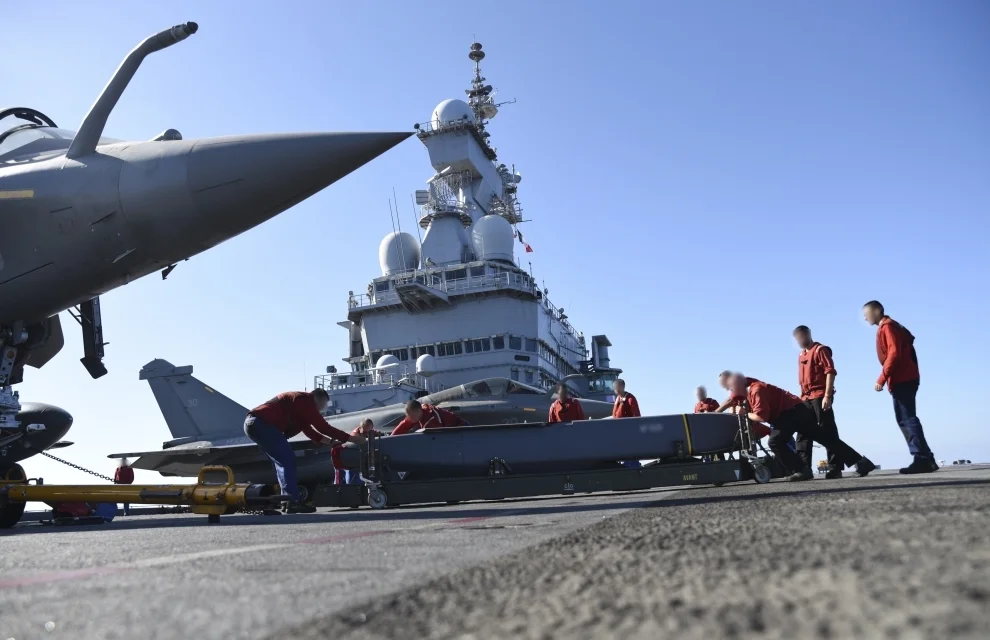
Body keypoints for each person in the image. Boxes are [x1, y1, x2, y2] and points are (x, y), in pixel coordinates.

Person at [728, 373, 875, 481]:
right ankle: (862, 463)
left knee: (775, 441)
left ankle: (801, 470)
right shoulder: (749, 387)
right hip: (797, 410)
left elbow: (761, 417)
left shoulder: (756, 390)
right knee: (825, 438)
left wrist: (744, 413)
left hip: (791, 413)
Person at [245, 388, 363, 513]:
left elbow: (310, 431)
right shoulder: (306, 401)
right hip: (261, 424)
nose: (322, 409)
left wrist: (332, 441)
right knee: (287, 460)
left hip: (254, 424)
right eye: (323, 404)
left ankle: (287, 501)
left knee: (281, 462)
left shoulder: (300, 407)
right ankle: (291, 501)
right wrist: (350, 438)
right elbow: (323, 427)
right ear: (318, 398)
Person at [863, 301, 938, 474]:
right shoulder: (891, 326)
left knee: (906, 419)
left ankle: (921, 458)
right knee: (907, 417)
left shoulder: (887, 327)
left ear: (878, 311)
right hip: (906, 377)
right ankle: (928, 458)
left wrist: (882, 378)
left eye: (867, 313)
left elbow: (894, 353)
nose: (865, 317)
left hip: (902, 378)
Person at [793, 325, 843, 479]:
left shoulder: (820, 350)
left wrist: (827, 395)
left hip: (820, 396)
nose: (800, 341)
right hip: (806, 398)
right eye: (797, 339)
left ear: (808, 335)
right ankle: (804, 468)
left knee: (827, 430)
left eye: (802, 337)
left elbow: (830, 372)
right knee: (803, 433)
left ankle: (835, 467)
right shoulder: (801, 355)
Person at [391, 399, 467, 435]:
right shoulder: (417, 413)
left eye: (411, 416)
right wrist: (391, 438)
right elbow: (404, 424)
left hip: (462, 430)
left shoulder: (431, 421)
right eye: (408, 416)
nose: (409, 418)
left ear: (418, 411)